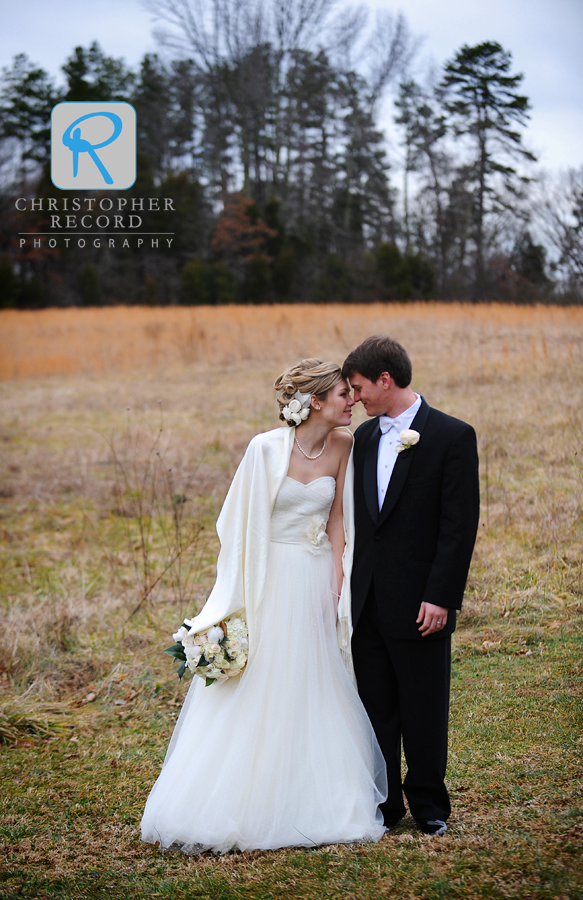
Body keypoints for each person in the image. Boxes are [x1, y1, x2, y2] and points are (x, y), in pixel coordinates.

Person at [141, 359, 387, 854]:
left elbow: (339, 518)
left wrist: (339, 580)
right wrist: (236, 596)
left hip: (316, 575)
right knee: (263, 679)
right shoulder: (264, 449)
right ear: (315, 400)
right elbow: (238, 525)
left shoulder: (345, 445)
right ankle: (242, 800)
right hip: (268, 580)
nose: (352, 401)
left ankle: (319, 796)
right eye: (343, 394)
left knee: (314, 679)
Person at [342, 335, 480, 836]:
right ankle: (385, 804)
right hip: (369, 601)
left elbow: (458, 526)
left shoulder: (451, 436)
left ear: (386, 380)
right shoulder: (362, 440)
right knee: (376, 705)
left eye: (359, 388)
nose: (354, 398)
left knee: (423, 705)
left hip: (423, 600)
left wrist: (441, 596)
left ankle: (429, 804)